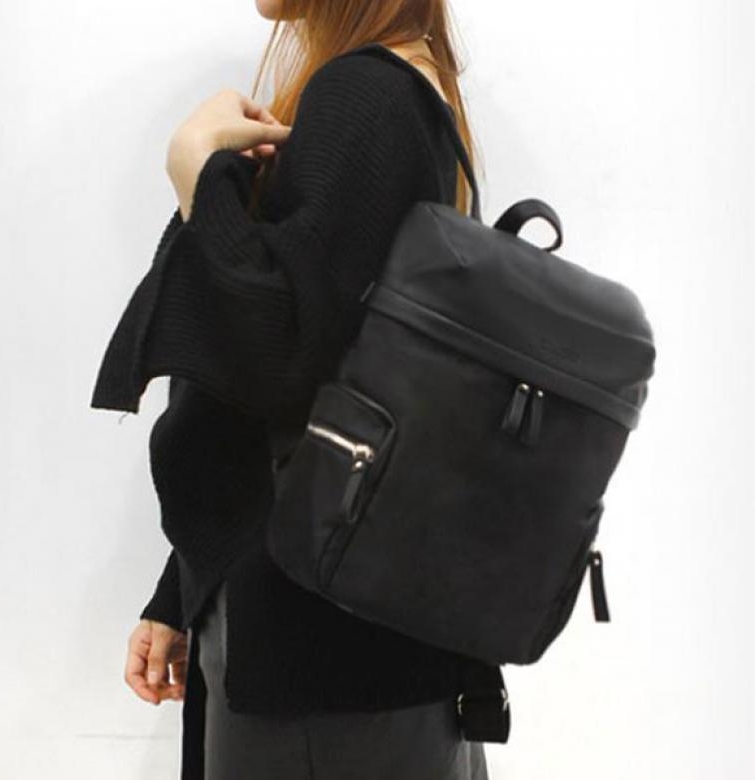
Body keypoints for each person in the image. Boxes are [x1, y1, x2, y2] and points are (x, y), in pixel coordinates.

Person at [90, 0, 508, 777]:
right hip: (349, 645)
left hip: (314, 667)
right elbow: (317, 403)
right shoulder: (409, 89)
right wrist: (182, 592)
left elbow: (279, 355)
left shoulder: (365, 94)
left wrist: (197, 171)